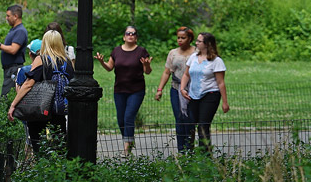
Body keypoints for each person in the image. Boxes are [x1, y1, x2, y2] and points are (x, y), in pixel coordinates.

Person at [7, 30, 73, 157]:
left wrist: (14, 104)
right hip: (58, 109)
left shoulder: (41, 59)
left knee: (38, 144)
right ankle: (59, 170)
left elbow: (28, 84)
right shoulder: (67, 62)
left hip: (39, 109)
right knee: (60, 144)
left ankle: (42, 170)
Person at [96, 25, 152, 155]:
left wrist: (146, 65)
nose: (130, 35)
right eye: (128, 33)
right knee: (121, 119)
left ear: (136, 37)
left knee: (128, 116)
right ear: (124, 36)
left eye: (133, 33)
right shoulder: (116, 51)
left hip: (136, 90)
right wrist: (101, 62)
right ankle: (129, 140)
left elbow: (147, 72)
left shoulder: (141, 51)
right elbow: (110, 67)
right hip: (119, 90)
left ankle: (127, 148)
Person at [178, 32, 229, 153]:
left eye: (199, 41)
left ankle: (204, 155)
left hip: (210, 95)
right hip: (193, 95)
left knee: (203, 126)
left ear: (207, 44)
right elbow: (186, 74)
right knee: (190, 125)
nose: (196, 43)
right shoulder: (193, 57)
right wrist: (182, 88)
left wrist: (225, 102)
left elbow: (221, 82)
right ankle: (189, 153)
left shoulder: (217, 61)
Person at [154, 26, 196, 154]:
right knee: (179, 118)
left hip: (192, 89)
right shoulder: (173, 53)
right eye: (178, 37)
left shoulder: (196, 52)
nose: (180, 40)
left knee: (190, 119)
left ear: (190, 38)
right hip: (176, 88)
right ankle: (181, 150)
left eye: (183, 38)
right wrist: (160, 89)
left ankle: (190, 147)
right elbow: (167, 72)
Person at [0, 4, 29, 97]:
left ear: (16, 16)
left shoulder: (20, 31)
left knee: (6, 96)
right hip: (9, 69)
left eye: (8, 16)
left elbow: (13, 49)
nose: (6, 18)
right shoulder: (14, 30)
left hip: (14, 69)